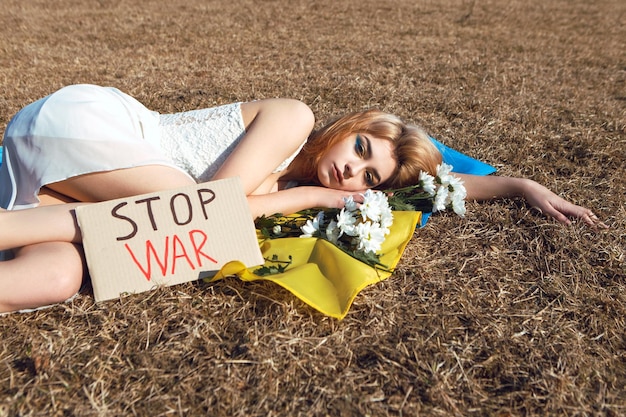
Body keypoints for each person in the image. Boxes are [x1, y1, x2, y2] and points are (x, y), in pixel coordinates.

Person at [0, 84, 605, 314]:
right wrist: (305, 196)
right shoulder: (293, 117)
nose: (353, 169)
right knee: (198, 227)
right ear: (350, 125)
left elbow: (432, 189)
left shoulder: (311, 187)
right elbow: (212, 207)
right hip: (88, 127)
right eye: (363, 147)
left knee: (60, 275)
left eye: (368, 179)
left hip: (63, 191)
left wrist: (521, 186)